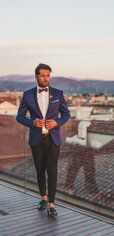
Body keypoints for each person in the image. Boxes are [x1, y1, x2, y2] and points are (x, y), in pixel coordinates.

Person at [16, 63, 70, 216]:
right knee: (40, 170)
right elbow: (19, 117)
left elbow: (66, 114)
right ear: (36, 77)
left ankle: (51, 205)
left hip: (53, 139)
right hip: (36, 139)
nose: (46, 78)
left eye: (48, 75)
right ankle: (43, 198)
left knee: (52, 171)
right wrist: (31, 122)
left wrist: (57, 122)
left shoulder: (58, 94)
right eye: (43, 75)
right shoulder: (27, 95)